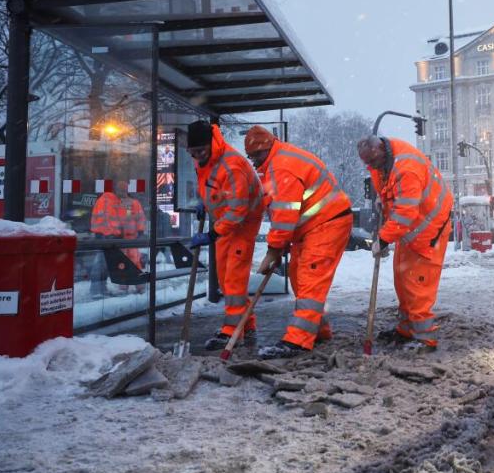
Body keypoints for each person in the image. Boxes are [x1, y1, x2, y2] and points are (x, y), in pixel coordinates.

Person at [244, 126, 353, 359]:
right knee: (298, 277)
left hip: (327, 224)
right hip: (312, 227)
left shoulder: (282, 167)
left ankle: (298, 340)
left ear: (268, 148)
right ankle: (317, 330)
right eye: (250, 157)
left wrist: (273, 250)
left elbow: (285, 216)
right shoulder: (275, 164)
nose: (253, 162)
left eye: (256, 156)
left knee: (310, 279)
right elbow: (282, 214)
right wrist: (279, 245)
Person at [357, 135, 453, 353]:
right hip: (411, 230)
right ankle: (407, 329)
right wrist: (383, 198)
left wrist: (382, 239)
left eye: (372, 162)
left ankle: (425, 338)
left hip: (428, 230)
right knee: (403, 280)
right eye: (368, 163)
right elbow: (391, 190)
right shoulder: (384, 161)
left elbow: (405, 213)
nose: (370, 167)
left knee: (417, 284)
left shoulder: (406, 168)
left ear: (381, 152)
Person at [186, 120, 264, 350]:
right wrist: (205, 202)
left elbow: (238, 209)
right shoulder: (204, 160)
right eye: (192, 152)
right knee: (224, 276)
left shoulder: (232, 165)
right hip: (225, 221)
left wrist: (212, 234)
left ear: (211, 144)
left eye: (200, 151)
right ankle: (247, 326)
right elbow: (211, 185)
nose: (197, 156)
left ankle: (231, 332)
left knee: (234, 277)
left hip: (244, 222)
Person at [89, 180, 147, 297]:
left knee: (112, 262)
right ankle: (135, 286)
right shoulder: (120, 202)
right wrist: (139, 231)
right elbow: (131, 219)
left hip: (110, 237)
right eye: (121, 190)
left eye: (123, 190)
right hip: (121, 237)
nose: (121, 192)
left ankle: (119, 286)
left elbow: (125, 218)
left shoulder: (104, 201)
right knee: (130, 261)